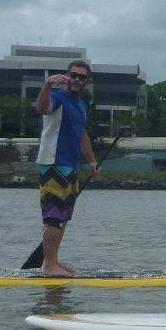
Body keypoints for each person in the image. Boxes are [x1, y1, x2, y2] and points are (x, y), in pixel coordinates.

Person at [33, 59, 99, 277]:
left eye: (81, 77)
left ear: (86, 82)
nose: (76, 79)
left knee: (63, 216)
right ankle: (49, 265)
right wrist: (48, 85)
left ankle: (53, 261)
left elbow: (82, 135)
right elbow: (42, 108)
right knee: (53, 215)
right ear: (67, 76)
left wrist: (91, 160)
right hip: (53, 163)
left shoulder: (81, 106)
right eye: (73, 75)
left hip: (71, 166)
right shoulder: (58, 97)